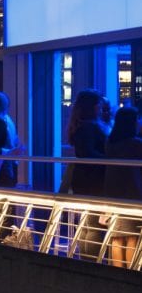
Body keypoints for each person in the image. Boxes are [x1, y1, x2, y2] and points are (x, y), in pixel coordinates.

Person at [68, 89, 106, 260]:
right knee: (93, 225)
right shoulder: (90, 127)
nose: (101, 107)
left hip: (82, 180)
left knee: (86, 223)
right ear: (93, 106)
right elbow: (88, 152)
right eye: (99, 104)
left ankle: (85, 260)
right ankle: (91, 261)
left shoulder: (79, 125)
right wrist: (108, 159)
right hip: (93, 181)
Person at [104, 106, 142, 268]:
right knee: (132, 236)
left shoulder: (110, 143)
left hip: (112, 192)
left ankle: (117, 273)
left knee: (117, 237)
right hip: (132, 192)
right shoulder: (135, 144)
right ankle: (130, 274)